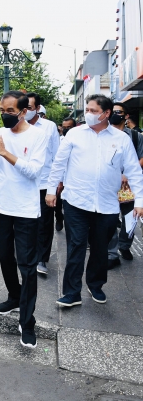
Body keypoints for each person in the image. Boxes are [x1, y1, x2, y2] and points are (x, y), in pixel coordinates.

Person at [46, 94, 143, 307]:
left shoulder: (121, 139)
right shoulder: (75, 134)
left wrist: (140, 201)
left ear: (106, 114)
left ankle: (95, 284)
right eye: (87, 110)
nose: (88, 114)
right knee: (76, 246)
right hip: (76, 202)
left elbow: (134, 171)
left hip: (107, 204)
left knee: (100, 248)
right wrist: (52, 190)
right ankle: (71, 293)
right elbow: (59, 164)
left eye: (92, 111)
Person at [0, 91, 47, 349]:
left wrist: (4, 152)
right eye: (2, 110)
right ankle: (14, 296)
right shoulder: (0, 133)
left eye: (10, 111)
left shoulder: (38, 136)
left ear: (24, 111)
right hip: (0, 206)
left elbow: (33, 171)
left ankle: (27, 320)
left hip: (26, 210)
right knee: (5, 256)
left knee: (28, 265)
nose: (5, 115)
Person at [24, 94, 60, 276]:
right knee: (25, 222)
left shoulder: (49, 127)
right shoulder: (17, 125)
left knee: (44, 224)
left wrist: (56, 184)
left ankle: (42, 258)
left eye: (30, 108)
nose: (26, 111)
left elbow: (57, 156)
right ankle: (27, 254)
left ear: (38, 108)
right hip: (23, 184)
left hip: (44, 183)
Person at [106, 102, 143, 268]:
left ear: (126, 116)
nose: (115, 114)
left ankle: (125, 245)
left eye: (119, 112)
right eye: (112, 111)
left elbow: (141, 157)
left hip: (129, 185)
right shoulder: (104, 134)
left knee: (129, 217)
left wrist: (128, 174)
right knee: (110, 218)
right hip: (109, 184)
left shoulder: (135, 136)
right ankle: (112, 254)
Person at [54, 117, 77, 232]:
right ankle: (59, 218)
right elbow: (57, 162)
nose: (66, 129)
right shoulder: (59, 141)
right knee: (57, 201)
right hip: (61, 178)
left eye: (69, 127)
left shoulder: (80, 140)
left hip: (75, 179)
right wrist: (59, 180)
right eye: (64, 127)